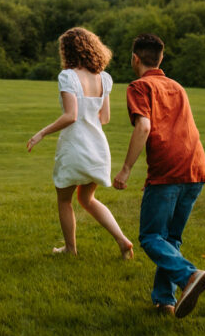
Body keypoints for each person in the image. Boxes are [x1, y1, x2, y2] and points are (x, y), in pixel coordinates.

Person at [112, 33, 205, 318]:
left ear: (135, 58)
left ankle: (189, 276)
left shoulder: (139, 86)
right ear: (161, 58)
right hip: (196, 169)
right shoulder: (177, 86)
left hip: (168, 173)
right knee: (170, 239)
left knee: (151, 237)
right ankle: (164, 301)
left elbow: (143, 127)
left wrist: (126, 169)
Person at [27, 27, 135, 259]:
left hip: (75, 147)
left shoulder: (68, 77)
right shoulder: (104, 78)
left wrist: (42, 133)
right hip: (97, 147)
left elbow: (71, 115)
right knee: (87, 199)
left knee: (64, 200)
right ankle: (123, 241)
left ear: (67, 51)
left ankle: (70, 249)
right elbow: (104, 118)